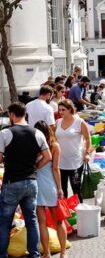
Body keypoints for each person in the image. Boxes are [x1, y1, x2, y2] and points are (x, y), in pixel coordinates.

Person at [0, 103, 51, 258]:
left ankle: (2, 254)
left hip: (12, 182)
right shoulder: (37, 133)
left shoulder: (5, 133)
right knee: (32, 220)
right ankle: (34, 254)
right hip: (31, 182)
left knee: (5, 221)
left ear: (11, 114)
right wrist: (35, 167)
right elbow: (48, 156)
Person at [33, 121, 67, 258]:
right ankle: (63, 253)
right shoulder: (54, 146)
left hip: (36, 184)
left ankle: (46, 253)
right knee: (58, 221)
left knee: (42, 222)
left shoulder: (33, 146)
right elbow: (55, 168)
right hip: (50, 185)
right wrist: (60, 188)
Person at [55, 100, 91, 202]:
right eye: (59, 110)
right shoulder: (58, 122)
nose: (60, 112)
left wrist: (87, 153)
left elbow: (88, 139)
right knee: (62, 190)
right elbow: (53, 139)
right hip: (60, 162)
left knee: (76, 189)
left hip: (75, 161)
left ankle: (80, 209)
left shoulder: (79, 122)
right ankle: (66, 213)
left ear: (70, 109)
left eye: (63, 110)